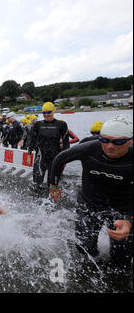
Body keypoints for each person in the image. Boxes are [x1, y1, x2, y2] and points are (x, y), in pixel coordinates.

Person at [49, 115, 133, 270]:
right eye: (104, 139)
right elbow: (59, 159)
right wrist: (54, 185)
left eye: (118, 142)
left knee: (122, 260)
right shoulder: (89, 148)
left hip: (123, 209)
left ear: (130, 140)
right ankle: (96, 263)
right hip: (89, 204)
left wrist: (129, 220)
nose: (109, 146)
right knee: (84, 247)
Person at [28, 102, 69, 188]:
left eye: (48, 112)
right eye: (44, 113)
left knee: (52, 182)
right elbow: (32, 139)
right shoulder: (38, 125)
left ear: (53, 111)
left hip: (55, 155)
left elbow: (66, 143)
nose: (46, 115)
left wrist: (65, 157)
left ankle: (50, 198)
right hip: (41, 155)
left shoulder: (61, 124)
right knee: (37, 181)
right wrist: (29, 153)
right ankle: (37, 198)